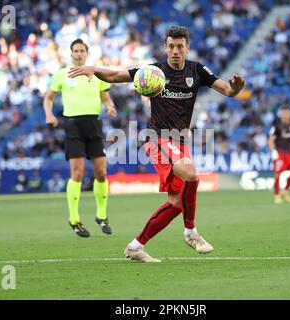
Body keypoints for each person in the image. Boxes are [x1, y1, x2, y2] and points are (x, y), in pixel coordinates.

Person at [68, 26, 245, 262]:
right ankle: (191, 232)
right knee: (192, 175)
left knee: (176, 203)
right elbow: (114, 76)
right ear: (166, 47)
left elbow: (226, 90)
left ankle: (135, 247)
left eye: (179, 46)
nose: (175, 51)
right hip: (158, 138)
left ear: (187, 48)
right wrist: (93, 68)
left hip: (180, 142)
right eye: (171, 46)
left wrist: (235, 88)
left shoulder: (197, 70)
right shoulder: (153, 71)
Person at [43, 39, 117, 238]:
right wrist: (49, 114)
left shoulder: (95, 74)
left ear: (86, 53)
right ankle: (74, 219)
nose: (78, 54)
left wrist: (110, 106)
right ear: (71, 53)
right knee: (77, 173)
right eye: (75, 51)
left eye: (81, 50)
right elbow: (48, 97)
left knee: (101, 172)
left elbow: (105, 96)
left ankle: (102, 216)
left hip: (93, 125)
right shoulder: (62, 74)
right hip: (73, 126)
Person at [268, 105, 290, 204]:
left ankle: (285, 191)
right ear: (281, 114)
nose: (286, 115)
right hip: (280, 152)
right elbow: (271, 140)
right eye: (284, 113)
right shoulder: (276, 126)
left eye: (287, 113)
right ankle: (276, 195)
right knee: (277, 173)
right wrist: (273, 151)